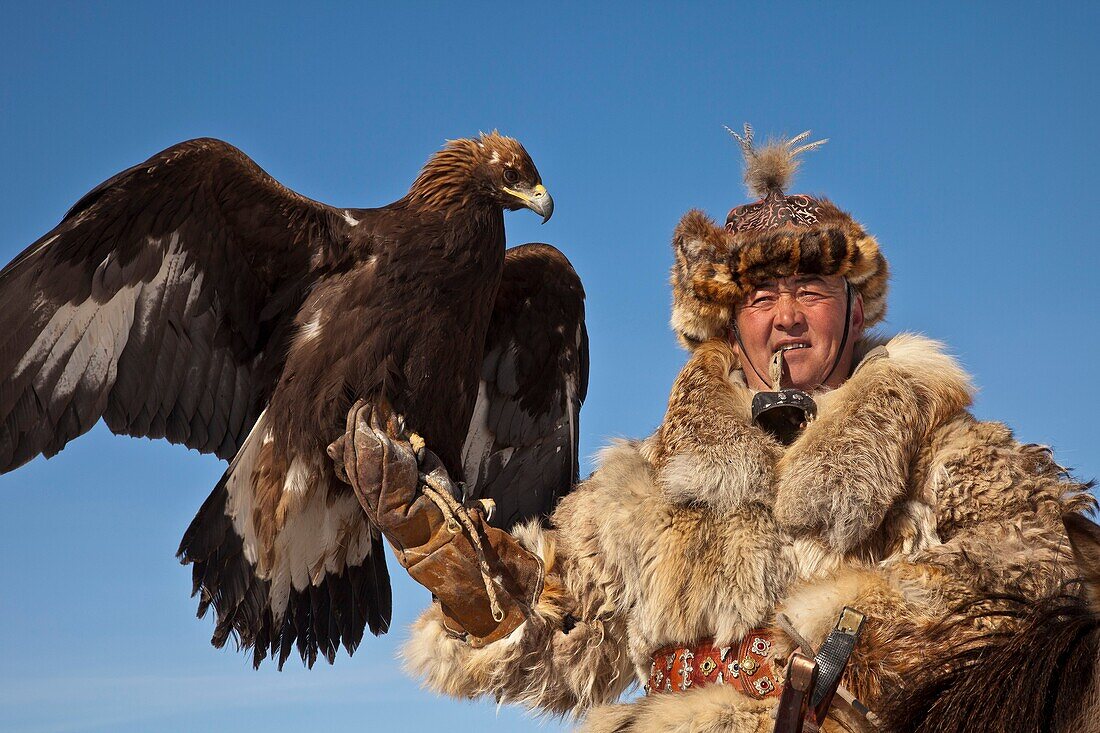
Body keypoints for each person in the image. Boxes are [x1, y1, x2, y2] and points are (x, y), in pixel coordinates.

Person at [328, 127, 1094, 732]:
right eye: (761, 295)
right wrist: (471, 578)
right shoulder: (643, 486)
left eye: (812, 289)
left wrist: (841, 649)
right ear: (729, 321)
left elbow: (1045, 577)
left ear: (854, 309)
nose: (787, 314)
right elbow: (561, 638)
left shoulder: (944, 448)